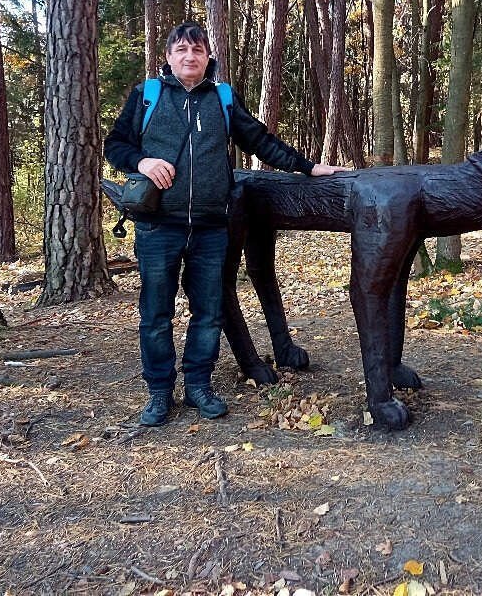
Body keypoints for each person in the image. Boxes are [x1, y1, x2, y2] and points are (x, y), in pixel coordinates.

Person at [104, 22, 346, 426]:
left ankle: (199, 386)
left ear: (207, 57)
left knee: (208, 313)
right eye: (181, 50)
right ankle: (160, 393)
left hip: (212, 227)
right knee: (155, 314)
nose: (189, 57)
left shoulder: (223, 99)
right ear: (168, 57)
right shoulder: (147, 96)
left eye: (197, 50)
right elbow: (116, 145)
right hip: (157, 226)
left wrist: (310, 167)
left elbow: (261, 141)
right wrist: (142, 161)